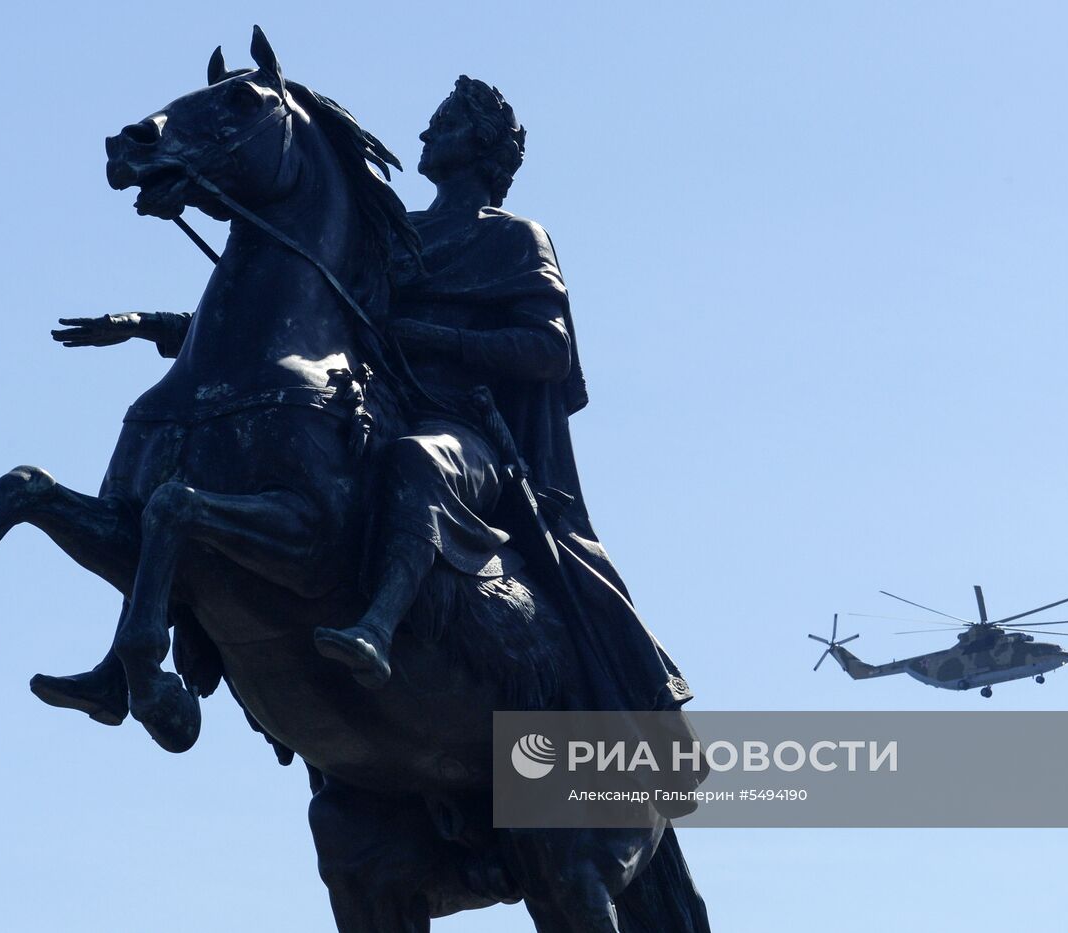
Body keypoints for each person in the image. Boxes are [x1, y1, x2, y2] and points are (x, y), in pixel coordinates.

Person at [36, 77, 690, 719]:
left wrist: (431, 336)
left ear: (483, 147)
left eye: (447, 123)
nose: (427, 132)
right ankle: (131, 658)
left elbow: (547, 349)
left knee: (416, 460)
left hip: (463, 430)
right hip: (374, 405)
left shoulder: (515, 238)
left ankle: (377, 625)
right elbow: (289, 324)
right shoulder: (393, 234)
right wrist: (146, 324)